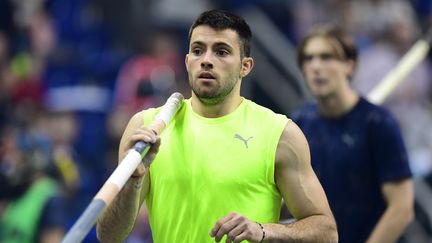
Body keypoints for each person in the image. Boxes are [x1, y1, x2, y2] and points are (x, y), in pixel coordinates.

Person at [97, 10, 338, 243]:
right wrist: (133, 180)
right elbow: (108, 236)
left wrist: (263, 231)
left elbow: (326, 232)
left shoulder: (279, 133)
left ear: (246, 66)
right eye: (198, 51)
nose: (207, 61)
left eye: (221, 52)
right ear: (187, 61)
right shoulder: (147, 128)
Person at [292, 25, 414, 243]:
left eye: (326, 57)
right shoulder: (299, 124)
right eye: (308, 59)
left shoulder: (379, 123)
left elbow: (402, 208)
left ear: (350, 65)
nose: (316, 66)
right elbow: (291, 201)